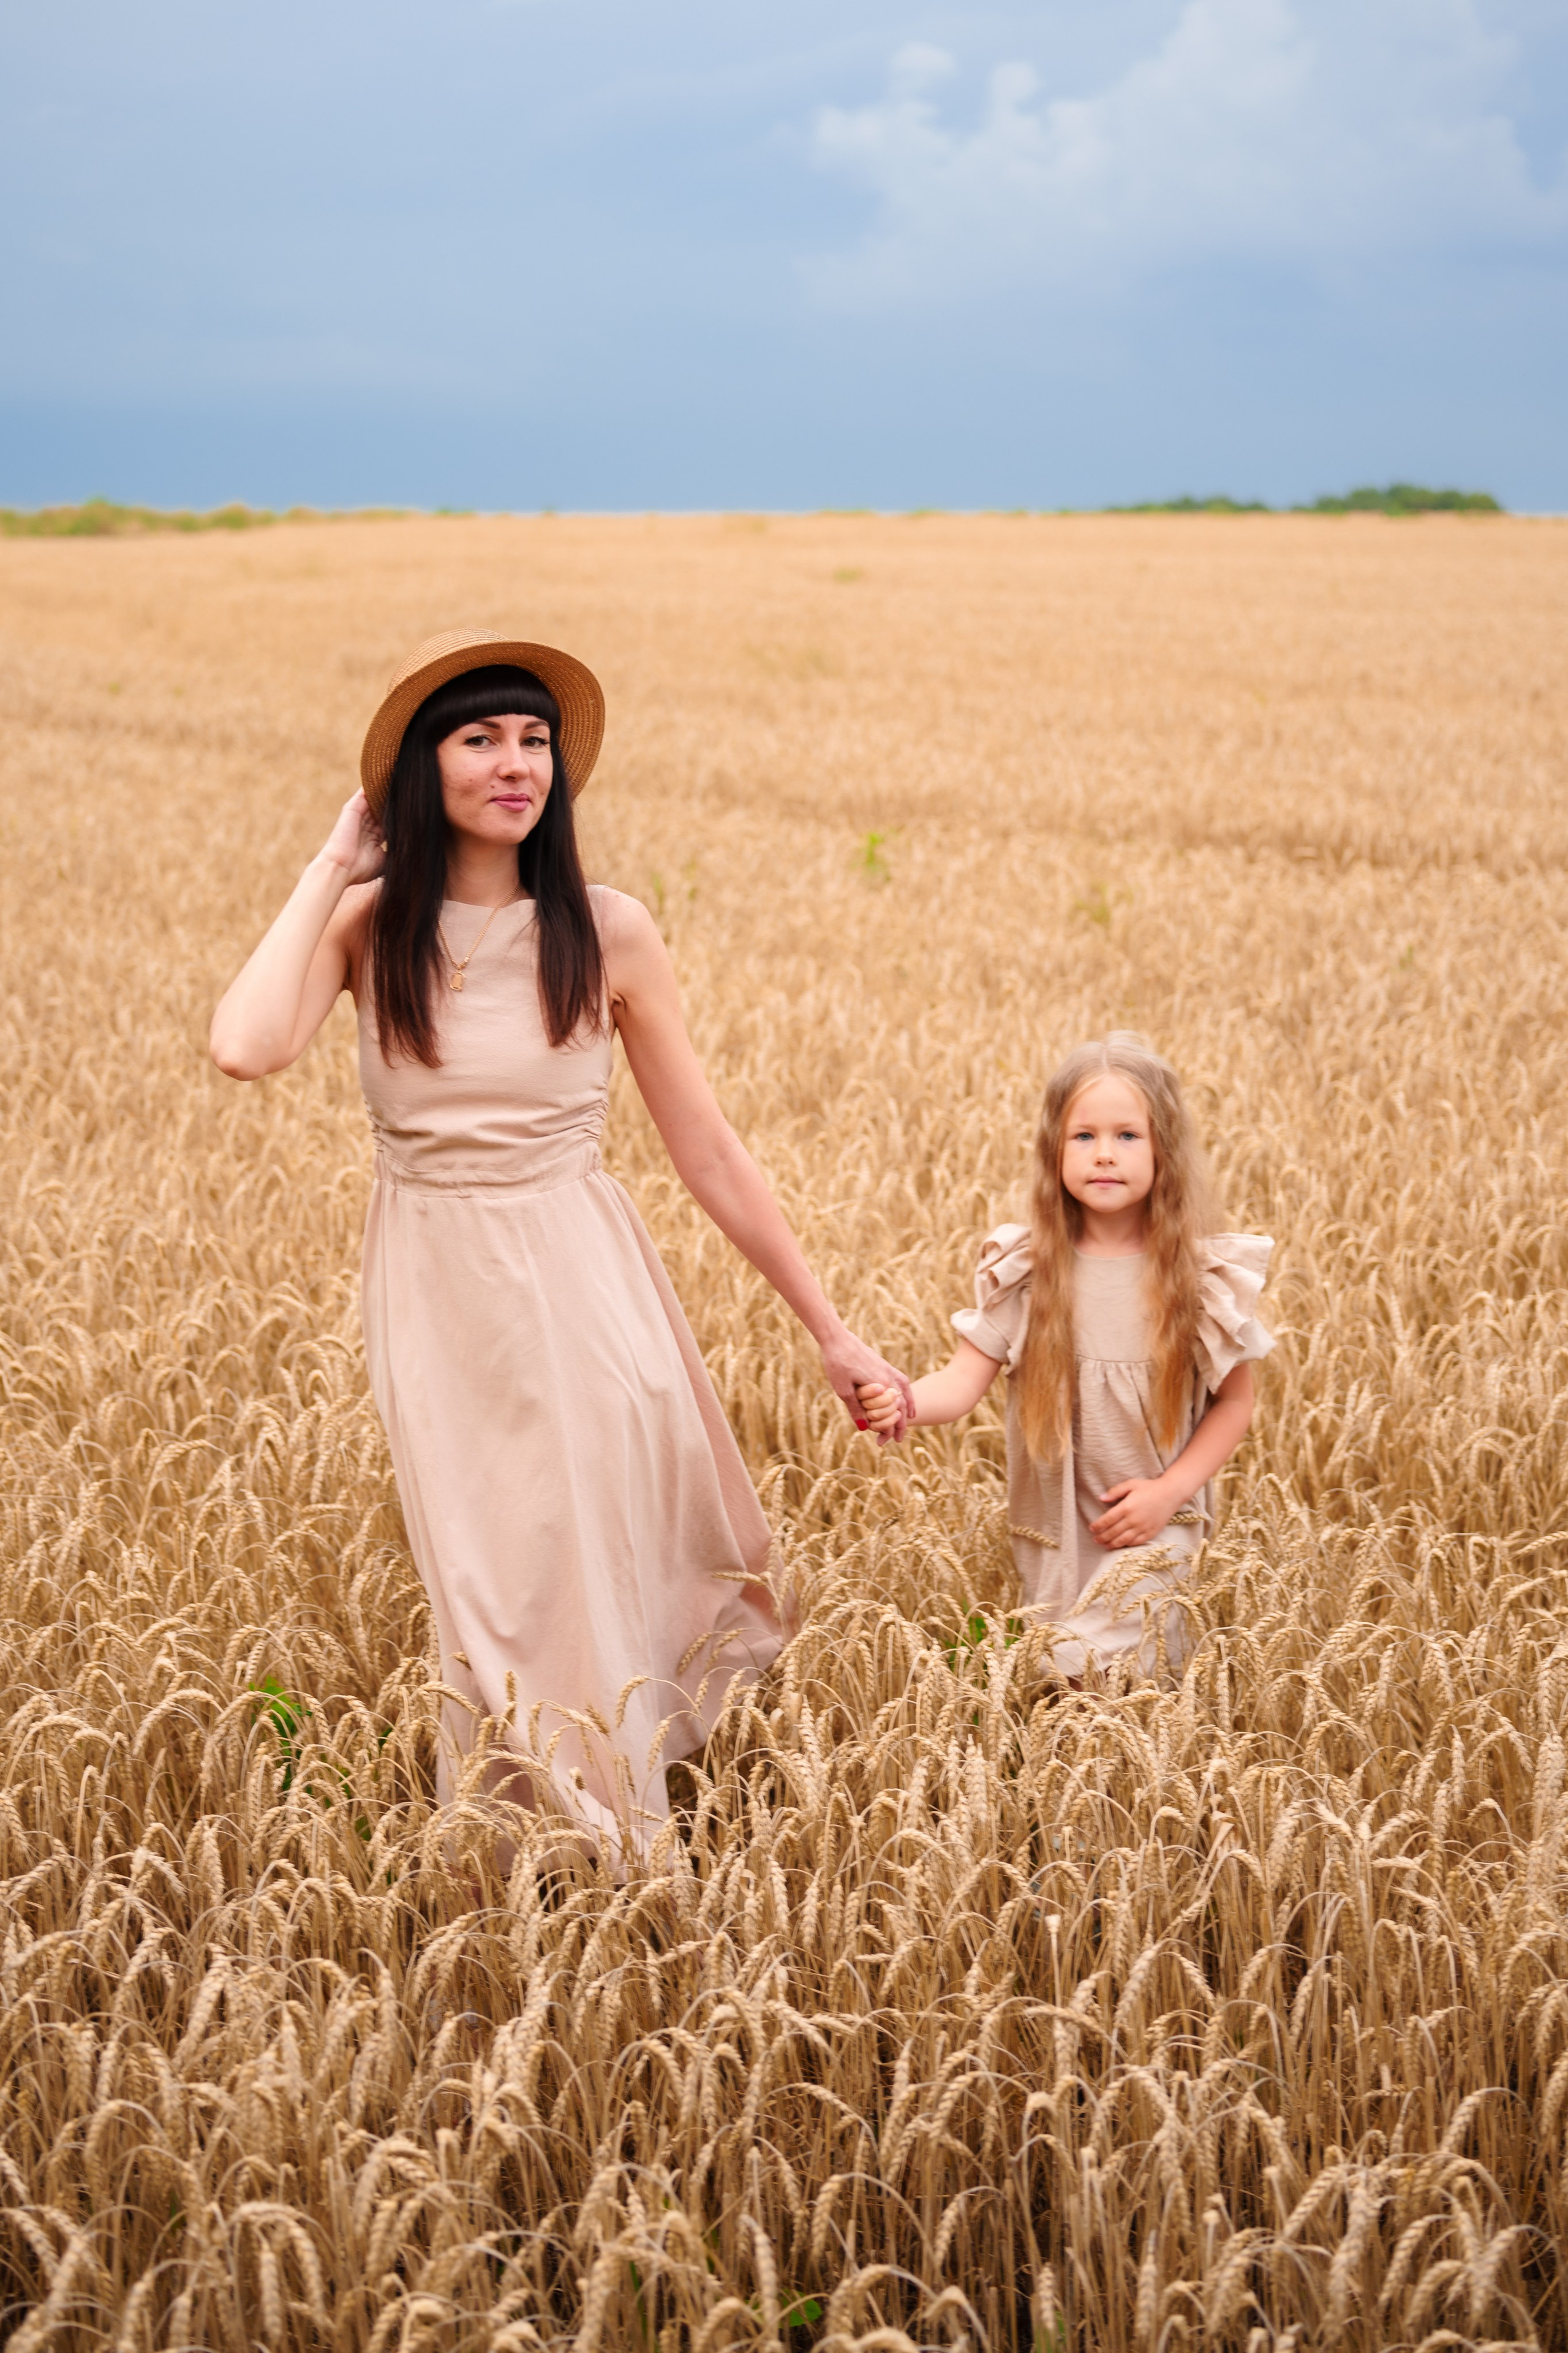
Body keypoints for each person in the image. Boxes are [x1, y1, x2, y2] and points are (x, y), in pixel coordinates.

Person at [210, 626, 911, 1856]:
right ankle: (523, 1851)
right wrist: (332, 861)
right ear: (419, 772)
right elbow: (245, 1044)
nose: (514, 762)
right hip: (434, 1294)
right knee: (485, 1577)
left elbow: (708, 1152)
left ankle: (608, 1852)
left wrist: (831, 1330)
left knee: (566, 1563)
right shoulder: (367, 929)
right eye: (479, 737)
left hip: (583, 1283)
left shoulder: (607, 928)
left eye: (533, 739)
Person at [856, 1034, 1271, 1676]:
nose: (1104, 1154)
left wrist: (1169, 1493)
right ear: (1054, 1149)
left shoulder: (1198, 1278)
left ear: (1165, 1147)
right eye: (1083, 1136)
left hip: (1157, 1517)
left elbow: (1235, 1404)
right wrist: (904, 1399)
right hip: (1058, 1523)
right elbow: (963, 1380)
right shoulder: (1028, 1271)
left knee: (1125, 1672)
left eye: (1127, 1136)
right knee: (1065, 1682)